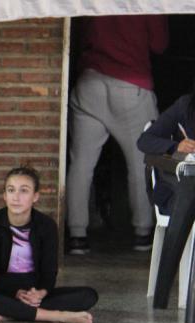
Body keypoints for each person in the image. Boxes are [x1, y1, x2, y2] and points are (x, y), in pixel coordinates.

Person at [66, 15, 168, 254]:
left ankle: (77, 234)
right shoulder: (149, 4)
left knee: (81, 164)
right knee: (142, 162)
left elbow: (80, 35)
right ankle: (143, 232)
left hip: (90, 82)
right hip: (132, 85)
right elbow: (159, 44)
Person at [0, 167, 97, 323]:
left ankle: (10, 313)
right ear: (4, 195)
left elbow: (49, 271)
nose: (16, 197)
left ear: (35, 196)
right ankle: (54, 315)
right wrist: (15, 293)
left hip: (33, 289)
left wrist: (41, 293)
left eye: (24, 191)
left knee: (88, 295)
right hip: (3, 289)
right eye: (11, 190)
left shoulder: (46, 226)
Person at [137, 90, 195, 308]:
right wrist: (175, 147)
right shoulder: (185, 105)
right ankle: (163, 295)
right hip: (179, 192)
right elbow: (145, 141)